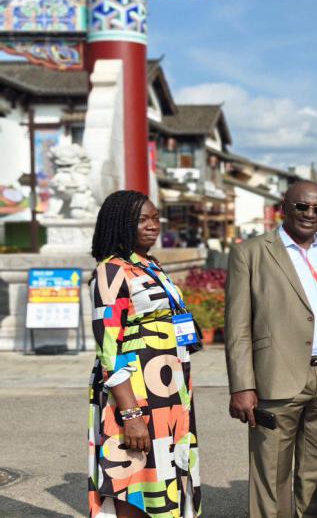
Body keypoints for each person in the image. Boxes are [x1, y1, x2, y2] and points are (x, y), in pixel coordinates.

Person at [224, 180, 317, 517]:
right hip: (276, 379)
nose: (310, 215)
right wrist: (243, 385)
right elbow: (237, 325)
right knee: (271, 475)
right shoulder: (251, 252)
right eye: (302, 207)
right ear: (284, 205)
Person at [88, 190, 202, 517]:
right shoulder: (111, 271)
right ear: (121, 224)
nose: (152, 225)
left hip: (167, 390)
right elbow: (110, 348)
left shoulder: (148, 264)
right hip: (136, 394)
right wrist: (131, 414)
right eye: (142, 220)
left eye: (155, 218)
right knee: (134, 480)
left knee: (162, 475)